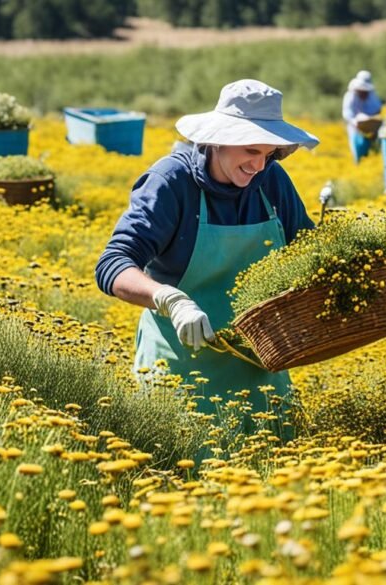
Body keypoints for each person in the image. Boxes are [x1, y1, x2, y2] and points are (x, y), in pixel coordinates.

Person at [95, 79, 319, 431]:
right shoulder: (171, 183)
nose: (258, 166)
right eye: (249, 151)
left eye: (267, 154)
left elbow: (308, 252)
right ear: (218, 140)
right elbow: (113, 264)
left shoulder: (272, 182)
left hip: (259, 372)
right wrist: (169, 298)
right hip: (181, 375)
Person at [341, 70, 383, 163]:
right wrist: (355, 121)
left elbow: (377, 109)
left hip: (373, 131)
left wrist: (371, 121)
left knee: (375, 151)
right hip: (355, 129)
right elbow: (347, 113)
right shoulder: (350, 96)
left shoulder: (371, 95)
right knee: (358, 149)